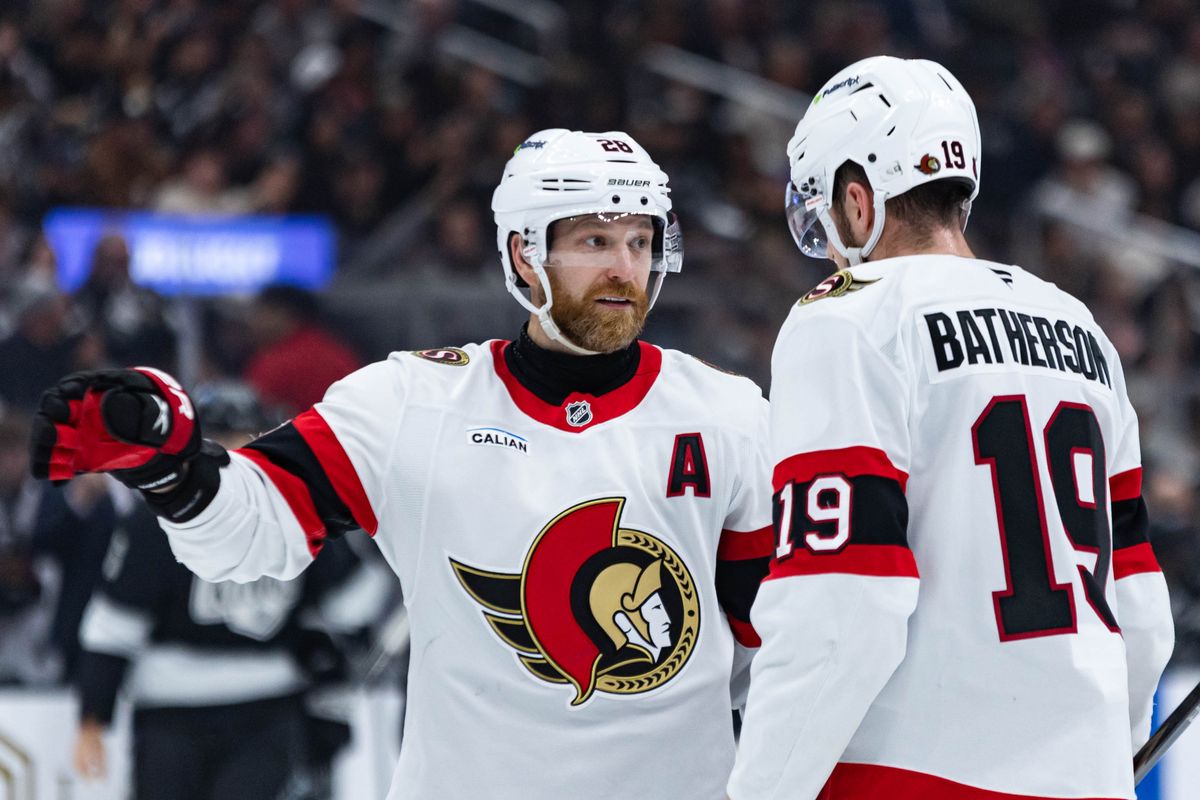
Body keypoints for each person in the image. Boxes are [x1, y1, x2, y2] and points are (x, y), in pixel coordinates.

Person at [31, 129, 773, 799]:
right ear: (523, 251)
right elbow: (255, 526)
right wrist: (176, 473)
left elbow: (771, 643)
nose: (624, 268)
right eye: (594, 242)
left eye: (640, 242)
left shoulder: (730, 414)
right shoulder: (414, 401)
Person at [728, 56, 1175, 800]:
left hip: (910, 774)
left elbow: (842, 602)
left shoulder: (848, 319)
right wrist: (1109, 754)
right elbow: (1139, 606)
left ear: (858, 200)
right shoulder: (1081, 330)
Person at [71, 381, 389, 800]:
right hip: (171, 714)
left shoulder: (291, 504)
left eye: (246, 437)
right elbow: (114, 626)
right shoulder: (152, 523)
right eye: (219, 438)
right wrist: (93, 716)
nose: (231, 450)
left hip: (269, 712)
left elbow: (349, 608)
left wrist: (331, 688)